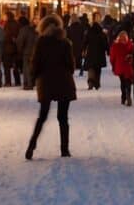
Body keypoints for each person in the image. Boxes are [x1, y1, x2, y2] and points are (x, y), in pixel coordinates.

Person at [26, 14, 77, 159]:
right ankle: (64, 150)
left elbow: (35, 63)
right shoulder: (65, 42)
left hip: (46, 82)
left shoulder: (41, 42)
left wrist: (34, 78)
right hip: (64, 82)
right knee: (63, 118)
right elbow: (71, 65)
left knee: (42, 116)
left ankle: (32, 145)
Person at [81, 16, 108, 90]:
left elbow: (85, 42)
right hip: (100, 54)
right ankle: (97, 83)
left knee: (91, 68)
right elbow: (105, 44)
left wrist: (83, 50)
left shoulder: (89, 33)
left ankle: (90, 81)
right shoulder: (102, 34)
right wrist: (107, 50)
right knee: (98, 69)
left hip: (90, 53)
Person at [110, 30, 134, 106]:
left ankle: (123, 97)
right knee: (128, 82)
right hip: (128, 66)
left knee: (122, 82)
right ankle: (128, 95)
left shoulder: (115, 46)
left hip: (119, 66)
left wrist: (113, 65)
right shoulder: (130, 45)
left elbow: (112, 58)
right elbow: (133, 53)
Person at [16, 15, 38, 90]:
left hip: (28, 51)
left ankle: (28, 83)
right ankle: (31, 82)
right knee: (31, 68)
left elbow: (20, 41)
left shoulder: (25, 29)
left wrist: (20, 50)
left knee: (27, 68)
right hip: (34, 51)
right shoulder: (40, 29)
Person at [2, 11, 21, 87]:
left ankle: (8, 82)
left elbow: (6, 36)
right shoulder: (17, 24)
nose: (3, 17)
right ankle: (17, 81)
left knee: (6, 66)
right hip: (15, 48)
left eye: (4, 16)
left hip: (8, 48)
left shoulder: (7, 24)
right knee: (15, 66)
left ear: (8, 16)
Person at [66, 13, 86, 77]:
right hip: (79, 45)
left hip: (72, 45)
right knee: (79, 58)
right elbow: (83, 37)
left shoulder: (69, 28)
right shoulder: (81, 27)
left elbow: (67, 37)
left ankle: (73, 69)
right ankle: (80, 70)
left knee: (73, 57)